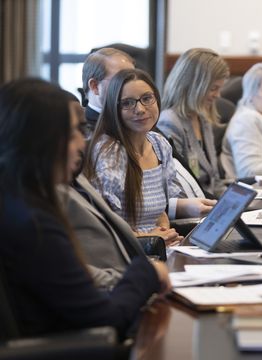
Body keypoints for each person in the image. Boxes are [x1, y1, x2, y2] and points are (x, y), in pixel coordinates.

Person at [0, 78, 170, 338]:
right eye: (72, 134)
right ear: (39, 142)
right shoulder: (34, 225)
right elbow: (106, 318)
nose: (82, 144)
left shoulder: (16, 202)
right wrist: (146, 271)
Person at [84, 68, 214, 237]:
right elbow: (105, 228)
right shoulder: (110, 153)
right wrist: (151, 238)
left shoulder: (159, 144)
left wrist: (164, 230)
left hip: (159, 246)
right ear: (113, 109)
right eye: (128, 103)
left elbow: (160, 212)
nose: (140, 109)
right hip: (128, 253)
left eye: (146, 98)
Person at [157, 48, 229, 198]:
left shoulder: (202, 117)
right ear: (194, 86)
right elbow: (176, 186)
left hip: (212, 204)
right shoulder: (170, 121)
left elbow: (214, 180)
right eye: (213, 88)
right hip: (194, 210)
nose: (218, 95)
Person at [81, 47, 135, 137]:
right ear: (95, 86)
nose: (132, 87)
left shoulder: (140, 121)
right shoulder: (81, 131)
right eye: (121, 79)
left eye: (133, 79)